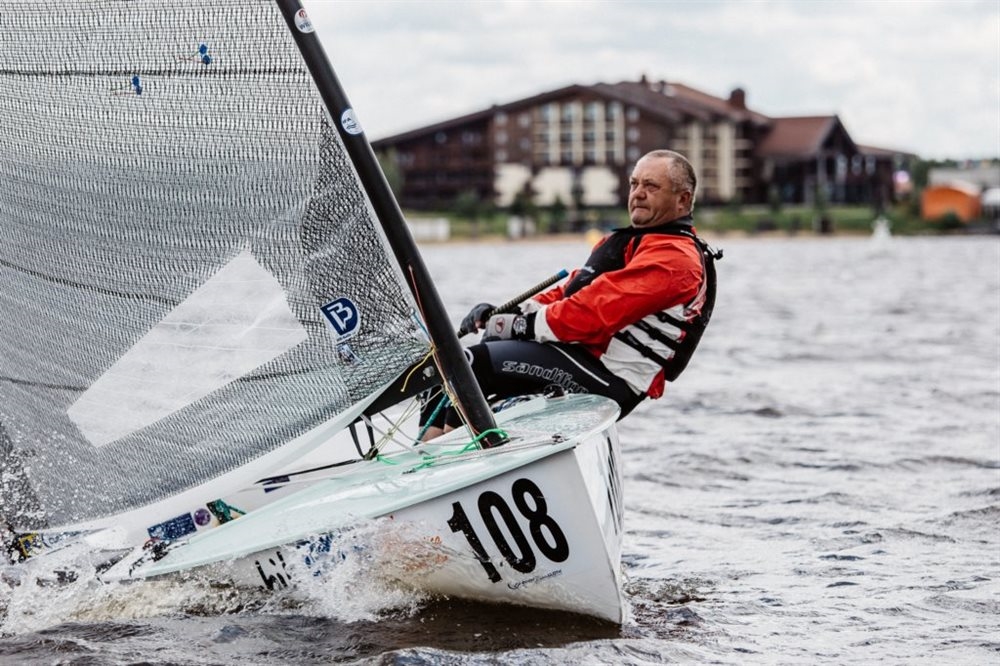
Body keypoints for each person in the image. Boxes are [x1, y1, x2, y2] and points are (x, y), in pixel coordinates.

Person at [419, 149, 721, 440]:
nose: (638, 193)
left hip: (611, 379)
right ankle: (425, 454)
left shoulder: (676, 260)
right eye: (634, 184)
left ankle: (446, 455)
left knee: (470, 365)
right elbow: (569, 292)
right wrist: (508, 314)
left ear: (683, 200)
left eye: (651, 186)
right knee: (443, 370)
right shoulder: (631, 243)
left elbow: (591, 314)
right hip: (580, 359)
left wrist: (521, 326)